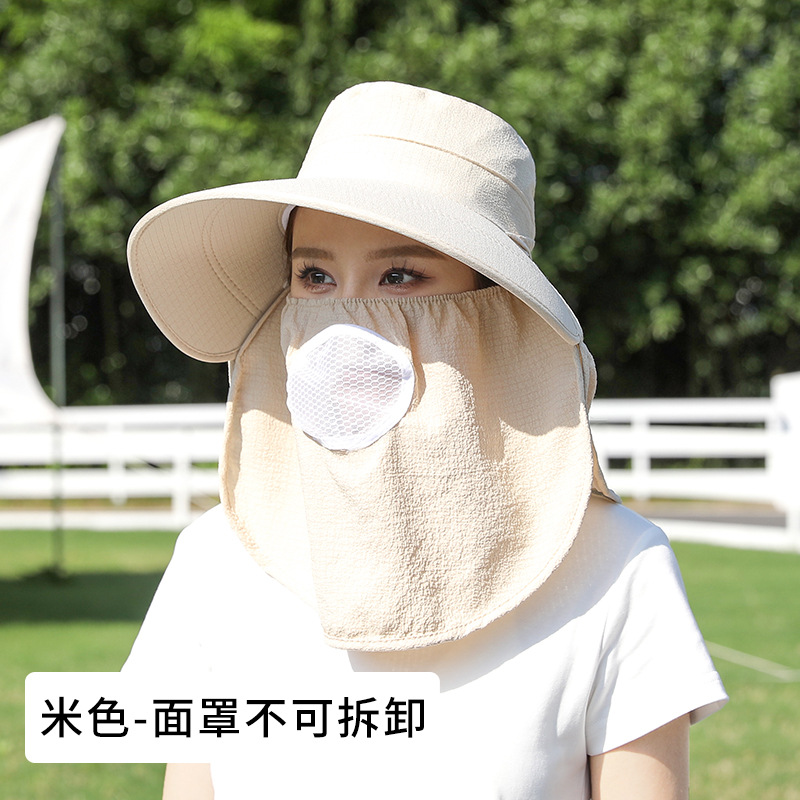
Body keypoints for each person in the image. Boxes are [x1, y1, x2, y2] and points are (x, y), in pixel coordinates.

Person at [124, 81, 727, 799]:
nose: (347, 316)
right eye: (314, 275)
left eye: (400, 275)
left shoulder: (617, 565)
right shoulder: (218, 558)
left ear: (494, 308)